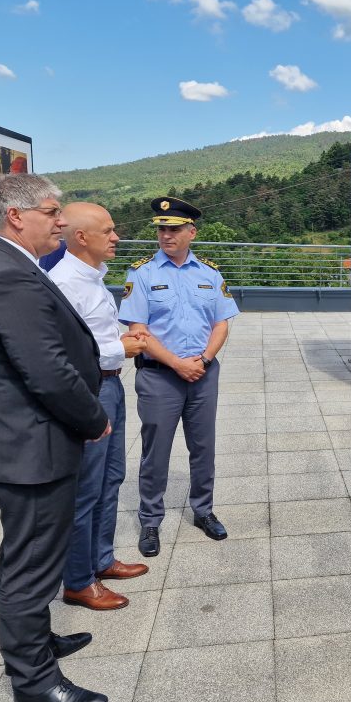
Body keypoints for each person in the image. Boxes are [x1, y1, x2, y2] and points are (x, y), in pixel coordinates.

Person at [0, 174, 110, 702]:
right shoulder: (9, 278)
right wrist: (94, 419)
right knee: (30, 566)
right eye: (52, 212)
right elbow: (46, 371)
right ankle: (34, 681)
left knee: (27, 553)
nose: (62, 221)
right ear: (16, 217)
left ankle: (35, 644)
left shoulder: (4, 264)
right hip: (29, 448)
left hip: (21, 441)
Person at [118, 197, 240, 557]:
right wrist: (177, 363)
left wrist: (202, 360)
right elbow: (138, 333)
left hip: (203, 372)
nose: (166, 235)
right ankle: (150, 519)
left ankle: (203, 511)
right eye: (161, 229)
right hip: (159, 376)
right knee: (156, 450)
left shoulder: (209, 273)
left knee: (203, 447)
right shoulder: (142, 274)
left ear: (191, 232)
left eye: (173, 229)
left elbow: (221, 324)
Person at [50, 203, 151, 611]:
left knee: (111, 478)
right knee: (85, 489)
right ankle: (77, 581)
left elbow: (93, 333)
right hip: (89, 390)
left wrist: (126, 332)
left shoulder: (93, 278)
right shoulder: (64, 284)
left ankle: (101, 560)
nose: (116, 237)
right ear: (81, 237)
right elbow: (61, 352)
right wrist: (118, 348)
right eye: (108, 231)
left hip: (110, 386)